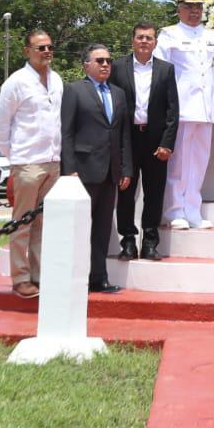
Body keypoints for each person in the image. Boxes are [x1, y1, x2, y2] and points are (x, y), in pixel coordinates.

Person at [0, 28, 63, 298]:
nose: (46, 51)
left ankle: (39, 275)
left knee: (43, 223)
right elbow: (1, 123)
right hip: (27, 163)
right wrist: (14, 158)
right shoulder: (17, 81)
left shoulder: (56, 80)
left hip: (53, 162)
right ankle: (20, 278)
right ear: (27, 51)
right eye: (40, 47)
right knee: (22, 223)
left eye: (49, 47)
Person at [157, 0, 214, 230]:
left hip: (205, 109)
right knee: (178, 161)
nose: (194, 11)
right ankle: (174, 211)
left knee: (200, 161)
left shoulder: (211, 36)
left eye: (198, 7)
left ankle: (192, 210)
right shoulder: (169, 35)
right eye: (189, 7)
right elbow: (160, 73)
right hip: (179, 108)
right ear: (179, 9)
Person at [60, 44, 134, 293]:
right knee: (79, 228)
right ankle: (74, 277)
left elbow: (124, 135)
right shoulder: (74, 91)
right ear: (86, 65)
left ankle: (98, 277)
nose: (105, 65)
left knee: (102, 228)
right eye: (100, 61)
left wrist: (126, 169)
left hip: (110, 172)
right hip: (82, 171)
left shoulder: (118, 93)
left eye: (108, 61)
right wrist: (69, 169)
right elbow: (66, 132)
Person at [111, 22, 180, 261]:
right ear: (132, 40)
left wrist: (167, 143)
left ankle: (150, 242)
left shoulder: (166, 70)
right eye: (140, 37)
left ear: (155, 43)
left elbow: (173, 110)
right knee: (126, 192)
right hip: (126, 140)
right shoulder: (118, 67)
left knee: (154, 193)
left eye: (149, 38)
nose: (144, 41)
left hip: (155, 142)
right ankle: (128, 241)